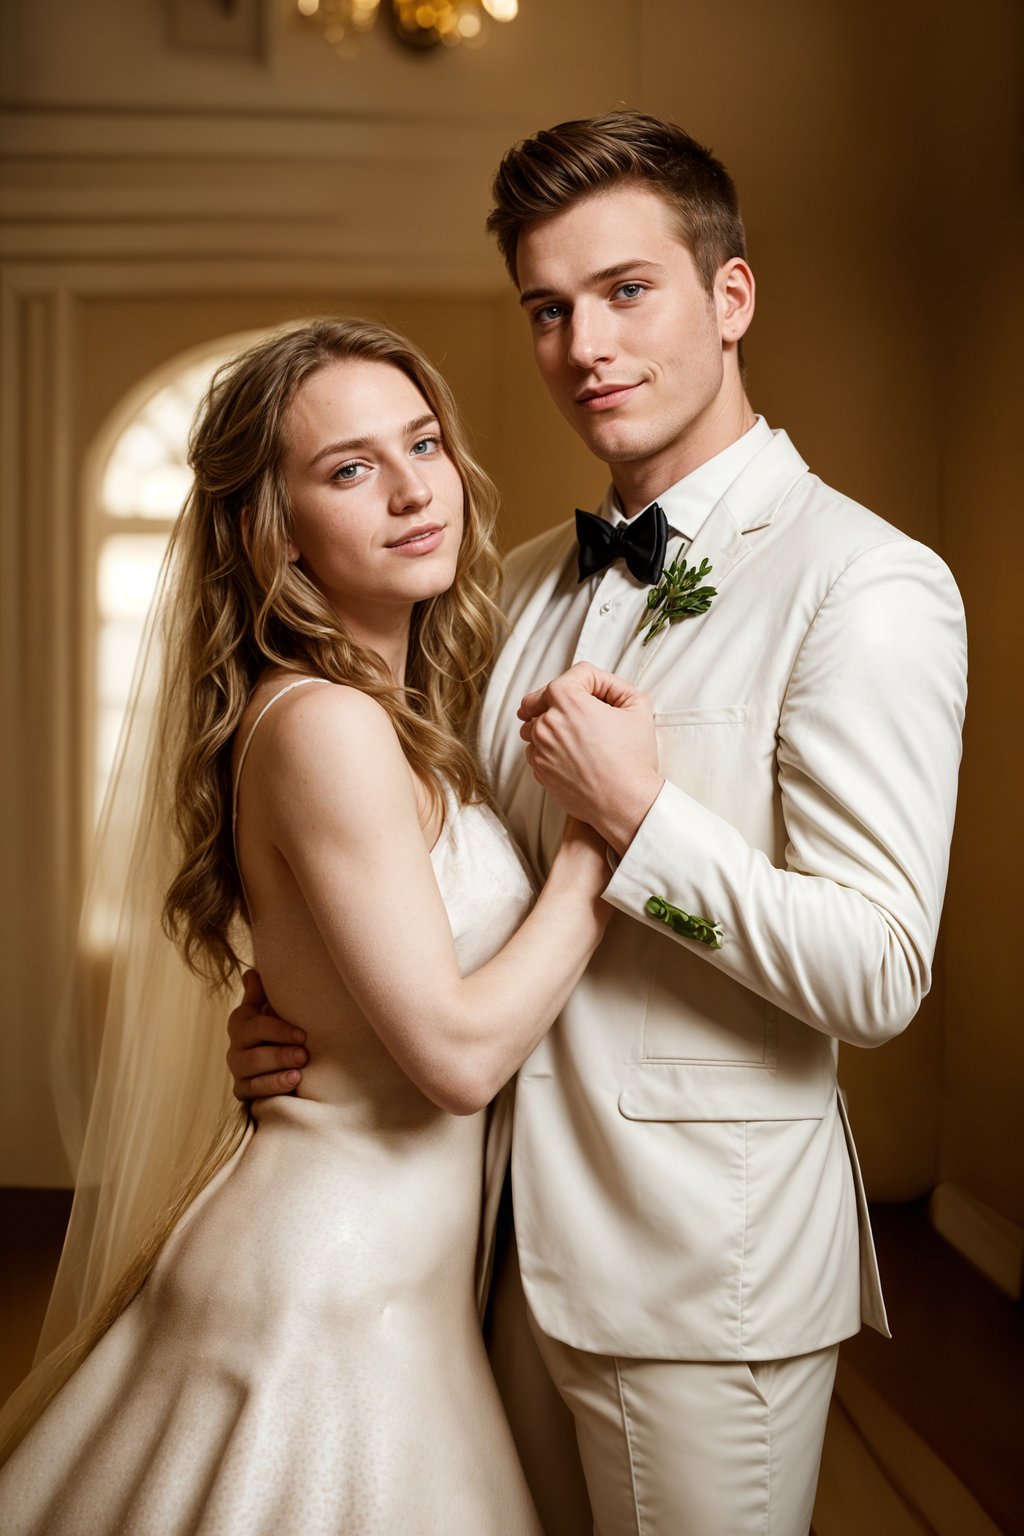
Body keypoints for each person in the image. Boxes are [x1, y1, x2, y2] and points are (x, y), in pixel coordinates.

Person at [229, 115, 968, 1535]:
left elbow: (879, 970)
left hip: (705, 1279)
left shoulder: (864, 582)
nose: (585, 347)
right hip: (488, 1260)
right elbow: (425, 875)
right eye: (549, 310)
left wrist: (642, 819)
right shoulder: (506, 588)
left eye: (628, 292)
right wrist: (300, 1023)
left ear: (730, 298)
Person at [0, 317, 614, 1534]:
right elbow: (451, 1056)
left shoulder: (397, 714)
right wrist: (602, 844)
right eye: (348, 469)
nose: (408, 489)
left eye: (422, 444)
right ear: (272, 533)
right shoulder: (324, 723)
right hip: (323, 1304)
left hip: (397, 1290)